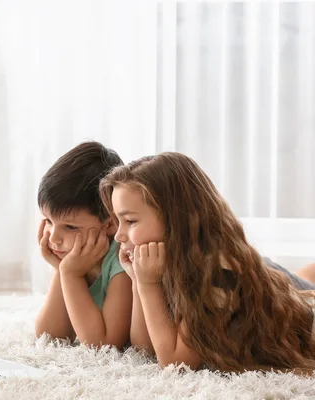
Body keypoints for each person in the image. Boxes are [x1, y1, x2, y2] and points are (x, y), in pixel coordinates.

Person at [99, 151, 315, 373]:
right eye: (118, 221)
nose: (118, 236)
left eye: (130, 221)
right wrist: (137, 281)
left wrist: (148, 285)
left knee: (304, 286)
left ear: (175, 218)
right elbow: (143, 348)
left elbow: (177, 364)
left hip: (284, 292)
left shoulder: (219, 274)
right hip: (271, 272)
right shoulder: (162, 262)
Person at [34, 141, 132, 349]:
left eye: (69, 226)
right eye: (49, 222)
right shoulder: (76, 258)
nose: (53, 238)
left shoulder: (123, 260)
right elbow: (49, 336)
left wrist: (70, 274)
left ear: (110, 224)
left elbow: (104, 345)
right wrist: (62, 271)